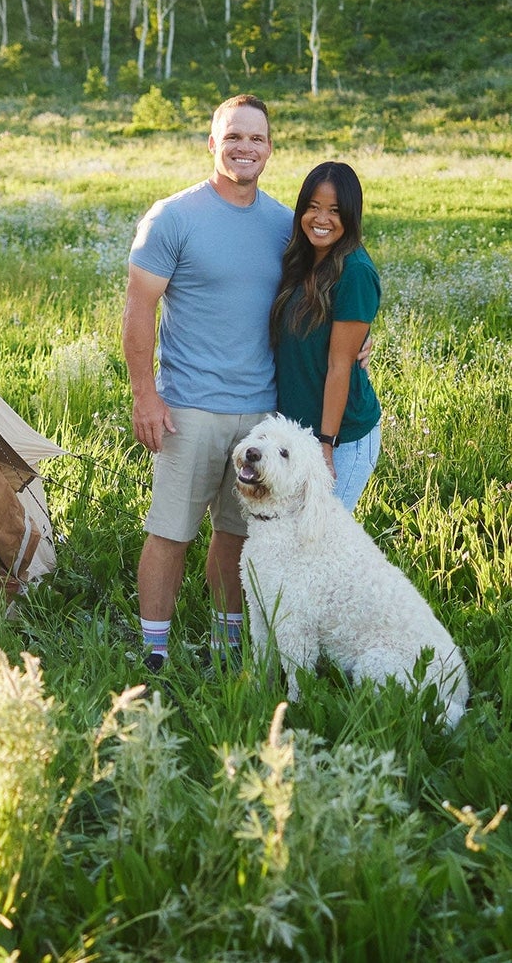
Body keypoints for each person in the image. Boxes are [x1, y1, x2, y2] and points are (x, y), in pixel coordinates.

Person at [122, 94, 294, 672]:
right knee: (171, 531)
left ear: (270, 148)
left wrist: (358, 341)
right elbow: (138, 309)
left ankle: (225, 645)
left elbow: (317, 301)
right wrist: (145, 394)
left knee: (237, 534)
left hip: (262, 414)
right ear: (212, 142)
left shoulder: (283, 224)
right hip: (188, 408)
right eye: (234, 137)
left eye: (257, 139)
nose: (246, 148)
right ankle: (154, 650)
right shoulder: (173, 217)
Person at [271, 162, 382, 512]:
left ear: (351, 215)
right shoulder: (302, 260)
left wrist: (326, 446)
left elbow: (340, 367)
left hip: (341, 437)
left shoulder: (356, 272)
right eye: (314, 207)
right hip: (295, 433)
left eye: (335, 210)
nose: (322, 218)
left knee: (316, 548)